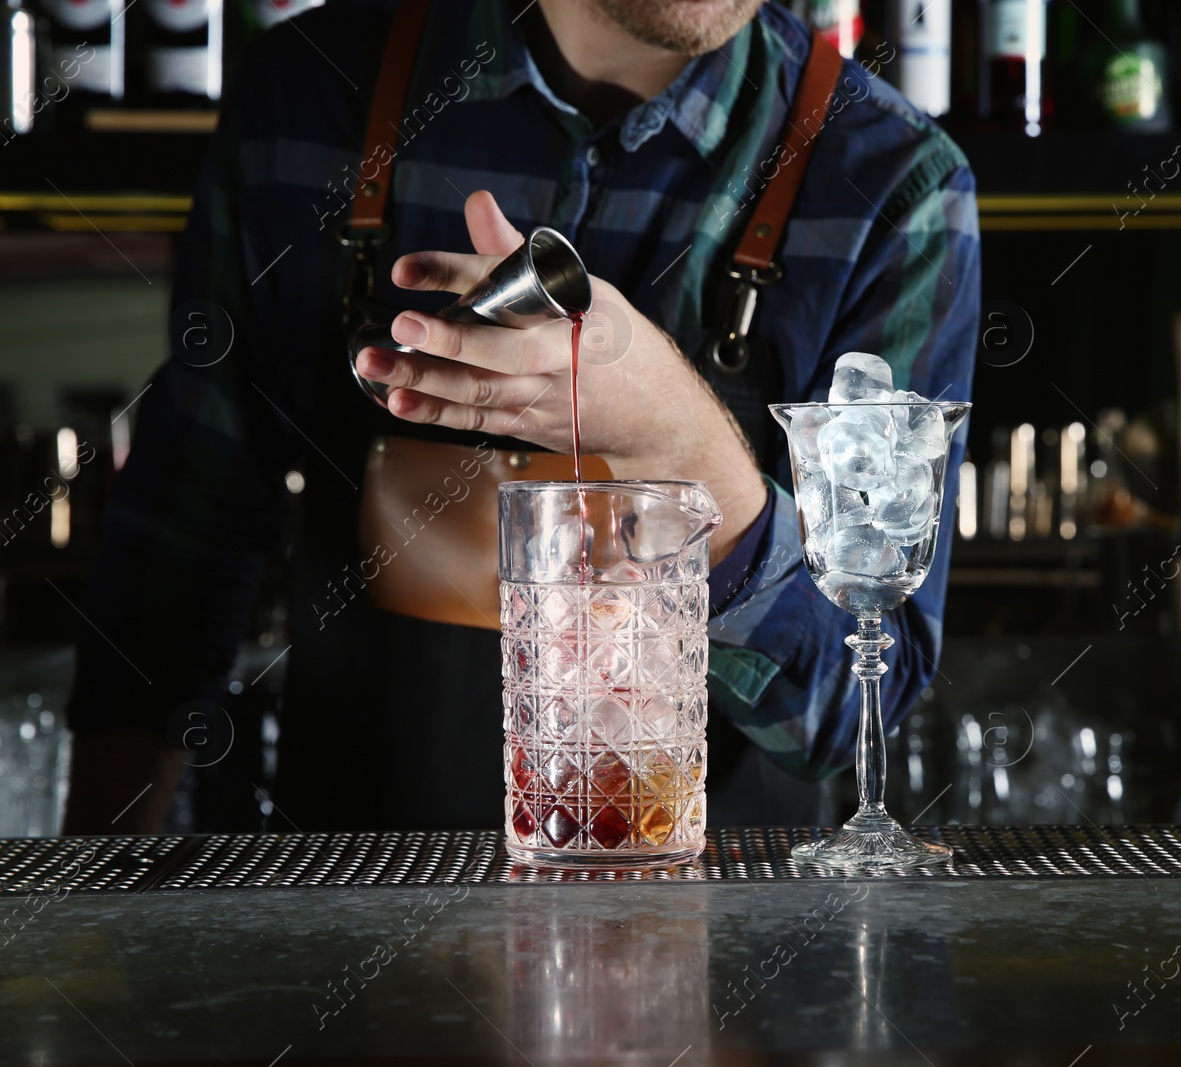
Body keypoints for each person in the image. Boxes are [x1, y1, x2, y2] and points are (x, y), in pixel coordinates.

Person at [62, 0, 978, 833]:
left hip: (728, 970)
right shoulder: (310, 98)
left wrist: (680, 440)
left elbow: (858, 703)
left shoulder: (891, 185)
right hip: (356, 937)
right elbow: (181, 543)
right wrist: (93, 922)